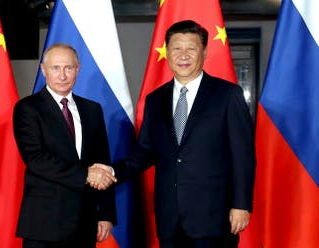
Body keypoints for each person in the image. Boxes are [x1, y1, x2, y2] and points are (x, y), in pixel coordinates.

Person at [92, 20, 256, 248]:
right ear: (167, 53)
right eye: (177, 48)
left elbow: (243, 156)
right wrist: (111, 171)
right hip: (170, 218)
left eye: (191, 48)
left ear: (205, 52)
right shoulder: (155, 100)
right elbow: (145, 153)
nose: (183, 55)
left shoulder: (227, 95)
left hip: (214, 217)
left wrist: (241, 204)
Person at [13, 43, 117, 248]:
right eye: (55, 68)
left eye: (68, 68)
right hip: (44, 224)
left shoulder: (92, 110)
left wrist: (105, 213)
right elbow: (36, 160)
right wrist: (85, 174)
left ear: (77, 69)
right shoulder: (28, 109)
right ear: (44, 70)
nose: (62, 75)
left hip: (84, 222)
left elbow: (102, 162)